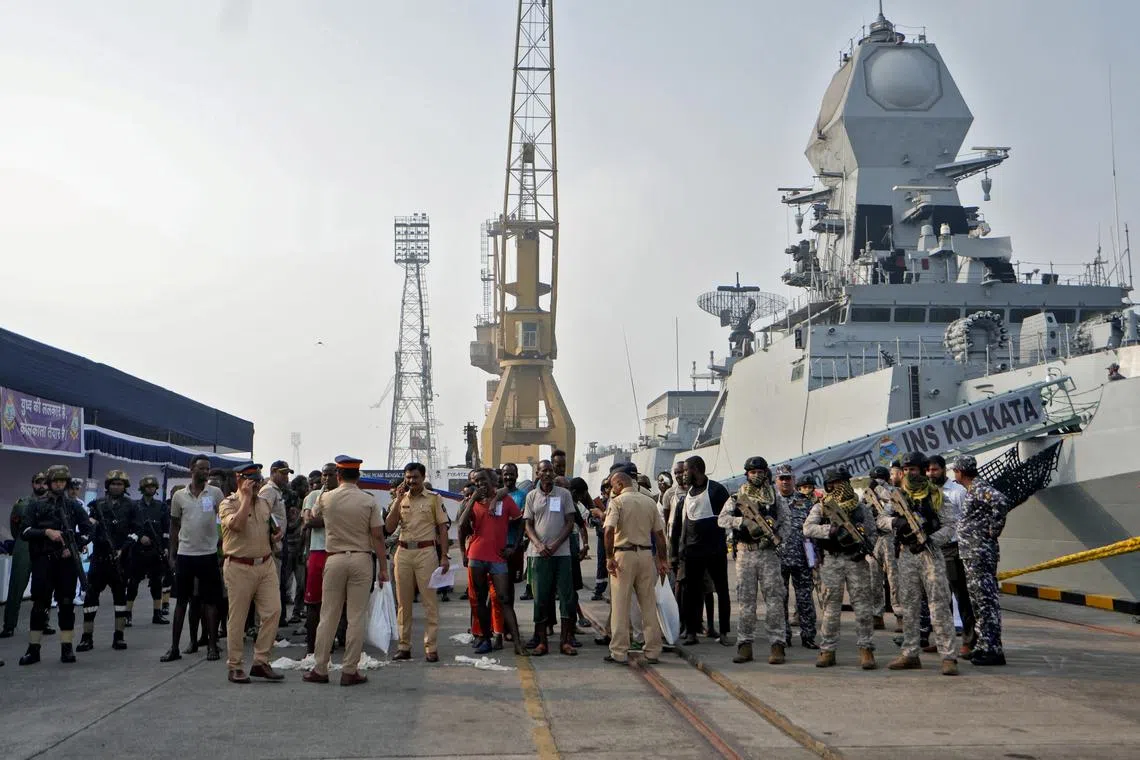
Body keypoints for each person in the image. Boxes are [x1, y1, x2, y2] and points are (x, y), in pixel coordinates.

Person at [303, 455, 388, 686]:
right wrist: (383, 568)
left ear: (338, 475)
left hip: (334, 559)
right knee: (356, 616)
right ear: (358, 476)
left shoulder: (327, 498)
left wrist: (321, 492)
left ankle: (320, 668)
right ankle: (350, 670)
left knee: (327, 615)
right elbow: (378, 536)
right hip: (362, 559)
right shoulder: (368, 501)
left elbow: (311, 517)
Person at [883, 452, 959, 676]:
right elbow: (881, 519)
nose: (908, 473)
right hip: (907, 555)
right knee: (909, 605)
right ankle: (910, 653)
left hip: (930, 554)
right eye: (905, 470)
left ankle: (948, 656)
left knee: (939, 605)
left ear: (923, 470)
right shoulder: (897, 495)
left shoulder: (937, 495)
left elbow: (950, 525)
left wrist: (929, 539)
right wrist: (895, 522)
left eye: (913, 469)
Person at [802, 467, 878, 669]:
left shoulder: (860, 507)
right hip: (832, 561)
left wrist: (865, 548)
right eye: (831, 484)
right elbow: (808, 528)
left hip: (855, 561)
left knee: (862, 607)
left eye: (839, 483)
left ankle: (866, 649)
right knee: (831, 609)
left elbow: (872, 531)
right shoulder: (822, 507)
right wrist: (831, 530)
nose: (835, 487)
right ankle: (827, 650)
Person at [16, 465, 91, 665]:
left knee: (66, 605)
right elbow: (24, 532)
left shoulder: (73, 506)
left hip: (66, 563)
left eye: (63, 481)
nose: (59, 484)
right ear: (49, 482)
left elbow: (88, 529)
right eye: (56, 480)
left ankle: (66, 649)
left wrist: (76, 544)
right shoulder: (36, 505)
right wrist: (46, 532)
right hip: (43, 561)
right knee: (40, 605)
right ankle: (34, 649)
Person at [219, 462, 284, 683]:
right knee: (237, 619)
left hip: (265, 565)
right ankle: (235, 666)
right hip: (239, 566)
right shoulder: (228, 504)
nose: (257, 485)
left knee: (273, 611)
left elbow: (271, 528)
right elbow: (236, 526)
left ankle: (261, 661)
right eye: (252, 481)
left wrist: (275, 537)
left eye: (258, 480)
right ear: (240, 480)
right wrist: (245, 497)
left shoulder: (265, 503)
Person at [718, 456, 787, 664]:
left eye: (760, 472)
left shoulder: (775, 496)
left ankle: (777, 645)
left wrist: (778, 540)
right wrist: (743, 521)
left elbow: (787, 522)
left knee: (774, 600)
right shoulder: (737, 496)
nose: (756, 475)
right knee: (746, 602)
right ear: (746, 474)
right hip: (745, 553)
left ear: (766, 473)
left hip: (768, 554)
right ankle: (745, 645)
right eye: (752, 472)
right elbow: (722, 519)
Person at [456, 468, 528, 656]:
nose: (480, 484)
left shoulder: (504, 500)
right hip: (476, 557)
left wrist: (514, 546)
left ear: (492, 481)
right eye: (477, 481)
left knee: (504, 599)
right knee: (479, 600)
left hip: (498, 558)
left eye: (483, 480)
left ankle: (517, 643)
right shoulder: (473, 502)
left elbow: (521, 521)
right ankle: (485, 639)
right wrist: (472, 499)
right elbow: (462, 524)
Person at [384, 461, 450, 662]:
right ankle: (404, 646)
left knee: (429, 602)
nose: (411, 481)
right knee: (403, 604)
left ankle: (431, 647)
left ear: (423, 478)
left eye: (415, 477)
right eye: (408, 477)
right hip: (403, 552)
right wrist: (397, 500)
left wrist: (444, 556)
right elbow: (388, 526)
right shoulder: (400, 499)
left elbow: (442, 528)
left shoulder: (433, 499)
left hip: (426, 553)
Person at [162, 454, 224, 663]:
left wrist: (223, 547)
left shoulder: (215, 493)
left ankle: (212, 646)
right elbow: (174, 526)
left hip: (208, 555)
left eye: (208, 469)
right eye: (202, 469)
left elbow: (224, 521)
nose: (206, 473)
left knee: (210, 602)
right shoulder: (179, 496)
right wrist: (171, 553)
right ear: (192, 469)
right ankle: (174, 648)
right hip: (185, 555)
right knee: (182, 602)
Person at [603, 470, 669, 664]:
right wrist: (663, 560)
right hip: (646, 555)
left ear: (619, 485)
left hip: (623, 556)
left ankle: (619, 651)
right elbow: (659, 535)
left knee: (620, 605)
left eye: (612, 486)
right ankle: (652, 651)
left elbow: (608, 531)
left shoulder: (617, 502)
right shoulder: (649, 502)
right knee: (648, 604)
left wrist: (608, 557)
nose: (611, 490)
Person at [951, 455, 1009, 666]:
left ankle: (993, 649)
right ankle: (984, 645)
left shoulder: (979, 487)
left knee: (986, 601)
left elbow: (1001, 500)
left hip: (980, 553)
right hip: (972, 553)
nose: (953, 473)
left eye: (955, 470)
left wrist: (994, 529)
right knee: (977, 601)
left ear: (960, 471)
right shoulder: (973, 489)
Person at [672, 456, 733, 647]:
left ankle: (723, 632)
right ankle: (691, 632)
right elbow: (677, 528)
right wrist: (675, 553)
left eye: (685, 470)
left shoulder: (717, 491)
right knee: (691, 593)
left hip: (715, 551)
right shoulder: (685, 498)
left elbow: (733, 514)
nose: (682, 475)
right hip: (692, 553)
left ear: (696, 469)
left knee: (721, 591)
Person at [79, 470, 140, 652]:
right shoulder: (97, 505)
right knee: (90, 598)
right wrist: (84, 539)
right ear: (107, 486)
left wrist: (123, 548)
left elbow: (137, 531)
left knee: (120, 599)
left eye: (120, 484)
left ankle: (119, 636)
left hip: (121, 560)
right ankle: (86, 637)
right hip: (99, 559)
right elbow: (88, 527)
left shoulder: (131, 506)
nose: (116, 487)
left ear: (125, 487)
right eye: (113, 484)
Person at [523, 460, 577, 656]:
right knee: (541, 598)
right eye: (543, 470)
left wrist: (555, 545)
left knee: (566, 597)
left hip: (561, 554)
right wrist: (539, 544)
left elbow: (570, 522)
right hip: (538, 555)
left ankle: (565, 641)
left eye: (550, 470)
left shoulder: (564, 494)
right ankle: (542, 642)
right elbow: (528, 525)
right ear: (537, 473)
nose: (547, 473)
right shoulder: (531, 496)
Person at [928, 454, 974, 656]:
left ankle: (968, 641)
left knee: (961, 596)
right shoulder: (926, 492)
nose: (931, 474)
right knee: (939, 598)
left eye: (935, 470)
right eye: (928, 470)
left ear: (944, 470)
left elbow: (968, 521)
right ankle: (942, 641)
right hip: (933, 548)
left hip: (953, 549)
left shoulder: (957, 492)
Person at [2, 472, 48, 638]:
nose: (41, 486)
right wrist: (21, 541)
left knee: (43, 587)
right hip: (25, 544)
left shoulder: (53, 504)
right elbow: (14, 527)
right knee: (16, 587)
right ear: (33, 484)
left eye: (44, 482)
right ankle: (9, 625)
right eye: (38, 482)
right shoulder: (21, 504)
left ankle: (43, 622)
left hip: (44, 545)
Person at [777, 469, 818, 650]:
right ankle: (783, 636)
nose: (785, 482)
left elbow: (811, 533)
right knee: (780, 599)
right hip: (778, 559)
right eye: (782, 479)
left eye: (788, 478)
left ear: (794, 480)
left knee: (805, 599)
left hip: (802, 558)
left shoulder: (805, 502)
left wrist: (812, 559)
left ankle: (808, 636)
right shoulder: (771, 502)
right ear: (776, 481)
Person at [127, 475, 170, 627]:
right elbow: (129, 527)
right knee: (133, 583)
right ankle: (128, 614)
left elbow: (166, 529)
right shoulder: (135, 505)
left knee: (157, 583)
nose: (151, 489)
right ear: (142, 489)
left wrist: (165, 547)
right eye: (148, 487)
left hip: (155, 550)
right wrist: (139, 537)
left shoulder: (161, 506)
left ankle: (157, 613)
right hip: (138, 551)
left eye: (153, 487)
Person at [865, 467, 902, 634]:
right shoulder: (867, 494)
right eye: (875, 479)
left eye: (881, 478)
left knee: (894, 578)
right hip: (874, 539)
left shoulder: (894, 492)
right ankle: (876, 615)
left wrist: (881, 490)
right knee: (873, 578)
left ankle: (900, 615)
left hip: (890, 537)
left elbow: (896, 507)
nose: (878, 481)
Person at [285, 475, 309, 624]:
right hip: (288, 547)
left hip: (299, 548)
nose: (306, 489)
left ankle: (297, 611)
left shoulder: (305, 503)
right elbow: (290, 525)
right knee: (284, 583)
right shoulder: (290, 502)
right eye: (304, 486)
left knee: (301, 584)